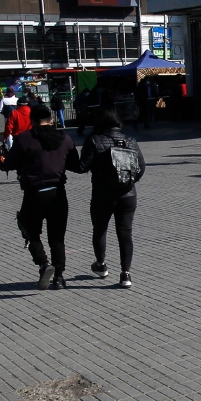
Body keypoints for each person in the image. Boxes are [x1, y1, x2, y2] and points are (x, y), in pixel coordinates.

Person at [1, 105, 81, 290]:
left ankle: (43, 264)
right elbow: (75, 165)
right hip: (58, 192)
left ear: (32, 121)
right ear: (51, 120)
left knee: (30, 230)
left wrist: (3, 160)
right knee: (57, 237)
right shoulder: (65, 139)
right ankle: (59, 277)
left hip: (34, 193)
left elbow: (9, 164)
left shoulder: (24, 139)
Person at [79, 108, 145, 289]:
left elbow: (82, 166)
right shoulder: (130, 140)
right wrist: (129, 182)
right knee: (125, 233)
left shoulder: (94, 140)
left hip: (103, 195)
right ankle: (125, 274)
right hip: (128, 195)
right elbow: (141, 167)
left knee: (100, 229)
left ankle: (101, 265)